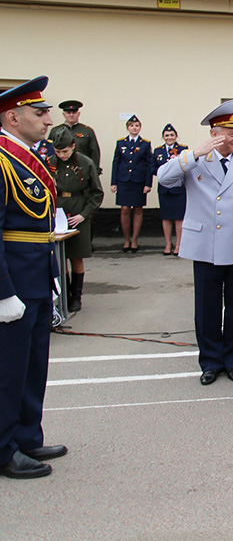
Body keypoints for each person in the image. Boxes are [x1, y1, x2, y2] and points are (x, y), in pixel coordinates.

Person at [156, 100, 233, 385]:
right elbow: (164, 179)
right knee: (206, 309)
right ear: (216, 133)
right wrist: (194, 152)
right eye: (232, 133)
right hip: (205, 246)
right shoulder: (194, 161)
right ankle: (210, 362)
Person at [0, 76, 66, 480]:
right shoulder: (4, 159)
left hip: (37, 272)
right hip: (14, 279)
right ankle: (4, 448)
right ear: (12, 117)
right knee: (8, 367)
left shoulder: (28, 156)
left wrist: (52, 274)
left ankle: (26, 433)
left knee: (32, 362)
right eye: (39, 113)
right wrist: (3, 292)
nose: (47, 120)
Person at [48, 128, 103, 313]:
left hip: (79, 211)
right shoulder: (51, 163)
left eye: (65, 151)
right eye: (58, 151)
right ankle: (64, 294)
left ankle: (76, 296)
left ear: (73, 146)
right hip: (58, 212)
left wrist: (84, 214)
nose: (62, 155)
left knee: (76, 255)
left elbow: (96, 193)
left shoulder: (85, 163)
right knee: (60, 256)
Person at [110, 115, 152, 253]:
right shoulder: (121, 143)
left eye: (137, 125)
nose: (134, 128)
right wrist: (113, 182)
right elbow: (116, 162)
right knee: (125, 209)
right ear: (128, 127)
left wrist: (148, 183)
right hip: (124, 180)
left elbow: (148, 164)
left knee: (138, 209)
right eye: (132, 125)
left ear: (140, 128)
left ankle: (134, 239)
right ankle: (126, 239)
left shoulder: (145, 143)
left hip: (138, 181)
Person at [151, 124, 188, 256]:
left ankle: (179, 243)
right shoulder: (157, 151)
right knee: (166, 217)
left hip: (179, 189)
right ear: (163, 137)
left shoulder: (183, 149)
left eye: (172, 135)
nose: (169, 137)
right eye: (167, 135)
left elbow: (187, 166)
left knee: (179, 218)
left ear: (176, 136)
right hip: (164, 189)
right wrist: (164, 173)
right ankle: (168, 243)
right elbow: (152, 168)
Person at [48, 99, 101, 172]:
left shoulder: (87, 131)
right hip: (60, 171)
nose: (71, 115)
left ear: (78, 114)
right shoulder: (55, 131)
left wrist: (94, 171)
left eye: (74, 112)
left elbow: (94, 153)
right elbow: (50, 152)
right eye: (68, 112)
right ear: (63, 114)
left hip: (82, 170)